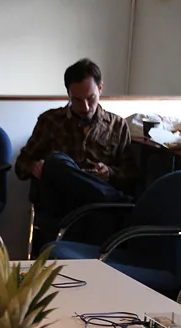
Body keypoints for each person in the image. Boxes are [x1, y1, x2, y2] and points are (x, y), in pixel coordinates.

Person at [15, 58, 139, 246]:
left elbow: (131, 174)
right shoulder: (50, 120)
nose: (85, 107)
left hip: (97, 209)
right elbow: (21, 164)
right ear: (69, 94)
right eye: (77, 100)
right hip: (60, 203)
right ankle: (119, 201)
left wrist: (110, 173)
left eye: (91, 98)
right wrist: (34, 167)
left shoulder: (117, 125)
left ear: (100, 89)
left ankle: (108, 198)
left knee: (98, 213)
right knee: (55, 162)